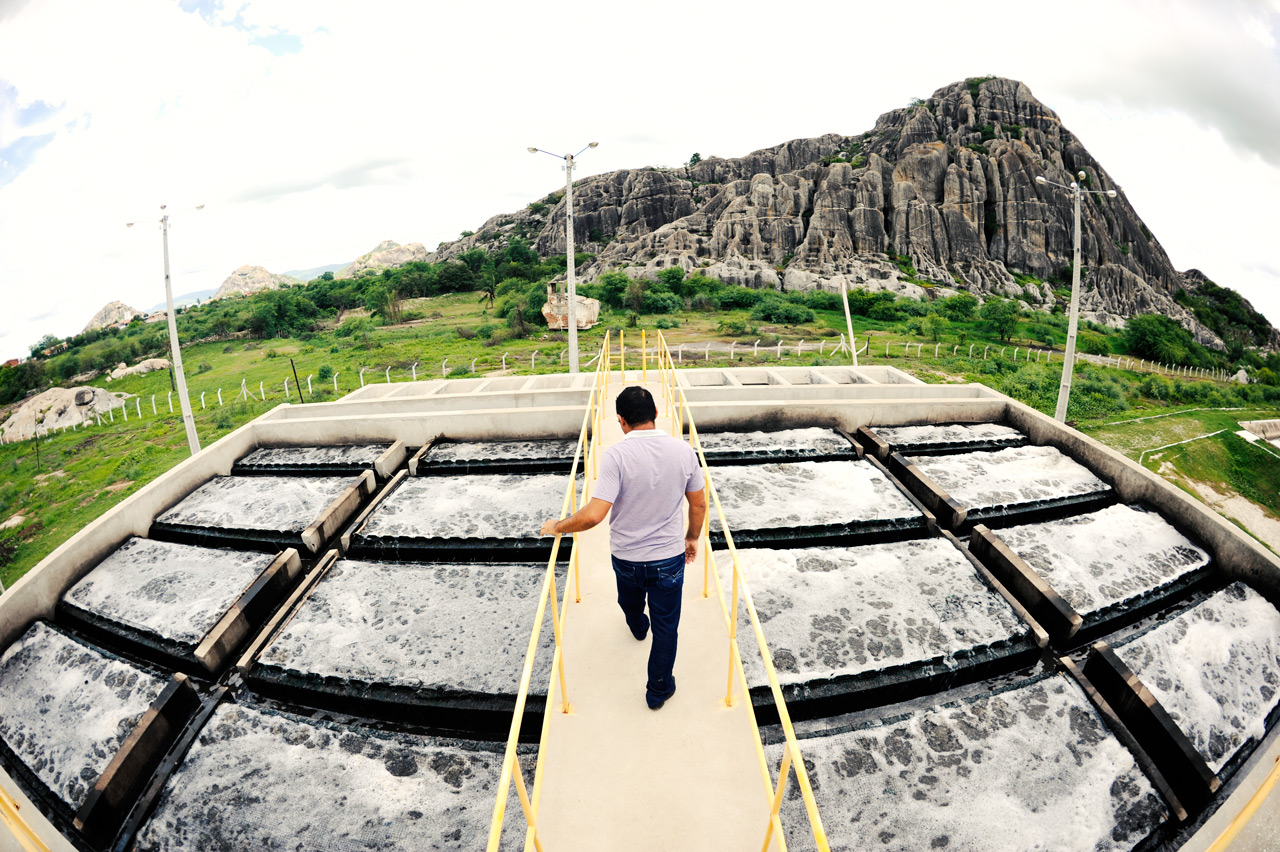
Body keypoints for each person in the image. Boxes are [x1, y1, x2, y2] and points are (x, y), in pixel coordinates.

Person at [540, 385, 706, 709]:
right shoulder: (684, 452)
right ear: (656, 414)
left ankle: (637, 625)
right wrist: (691, 538)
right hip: (669, 559)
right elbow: (698, 505)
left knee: (629, 603)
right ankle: (658, 690)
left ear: (621, 420)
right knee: (667, 628)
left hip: (627, 558)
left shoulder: (616, 455)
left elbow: (594, 515)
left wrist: (556, 527)